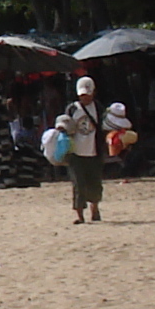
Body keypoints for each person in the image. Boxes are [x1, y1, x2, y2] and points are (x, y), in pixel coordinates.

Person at [57, 76, 107, 223]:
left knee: (95, 183)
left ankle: (95, 209)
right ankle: (79, 215)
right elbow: (64, 126)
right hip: (75, 152)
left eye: (87, 94)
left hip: (94, 151)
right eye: (82, 95)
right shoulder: (72, 108)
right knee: (78, 184)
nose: (85, 97)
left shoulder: (98, 108)